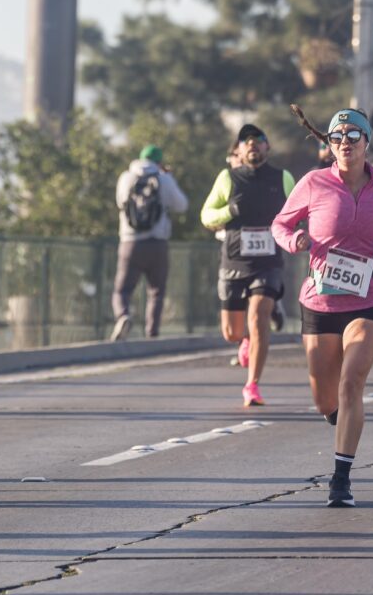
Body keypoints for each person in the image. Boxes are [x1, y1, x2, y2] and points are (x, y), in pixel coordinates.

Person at [273, 106, 373, 508]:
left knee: (352, 384)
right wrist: (293, 240)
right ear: (329, 145)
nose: (345, 144)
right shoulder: (313, 183)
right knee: (325, 399)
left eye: (353, 137)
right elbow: (280, 224)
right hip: (320, 301)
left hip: (369, 298)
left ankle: (341, 479)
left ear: (367, 142)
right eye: (337, 138)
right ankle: (338, 416)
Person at [201, 125, 295, 406]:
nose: (253, 144)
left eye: (259, 140)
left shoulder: (283, 178)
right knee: (231, 331)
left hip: (269, 263)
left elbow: (299, 209)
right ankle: (245, 340)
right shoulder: (228, 178)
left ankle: (252, 385)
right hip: (234, 261)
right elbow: (206, 215)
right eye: (246, 141)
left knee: (258, 318)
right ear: (239, 151)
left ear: (268, 148)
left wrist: (296, 230)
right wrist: (229, 211)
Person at [111, 145, 189, 341]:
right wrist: (168, 178)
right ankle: (152, 333)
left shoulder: (126, 178)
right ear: (159, 162)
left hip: (130, 242)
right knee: (156, 291)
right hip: (157, 243)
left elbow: (120, 202)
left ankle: (123, 316)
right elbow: (182, 205)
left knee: (122, 289)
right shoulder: (163, 179)